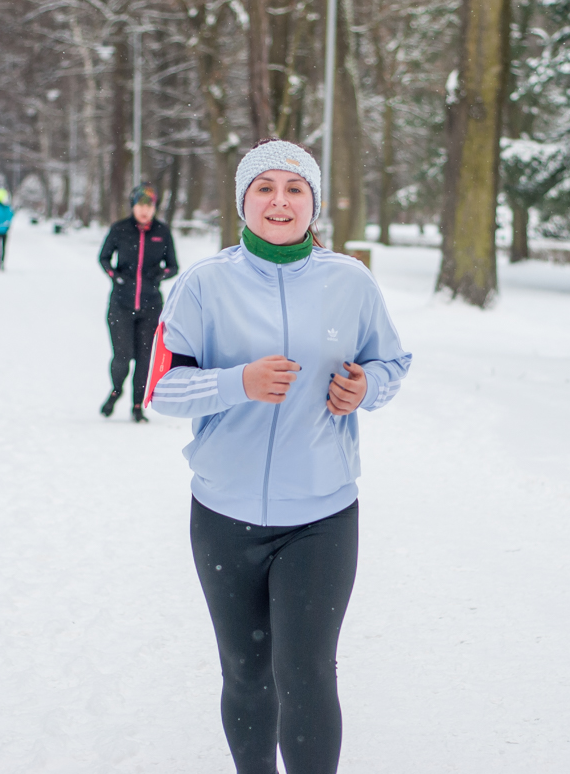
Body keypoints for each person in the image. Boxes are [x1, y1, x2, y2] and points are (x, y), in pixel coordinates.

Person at [145, 139, 411, 774]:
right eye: (264, 188)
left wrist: (364, 388)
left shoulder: (351, 282)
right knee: (244, 670)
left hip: (320, 516)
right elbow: (160, 389)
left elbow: (392, 363)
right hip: (223, 513)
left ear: (313, 203)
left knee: (307, 672)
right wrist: (237, 382)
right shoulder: (203, 285)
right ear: (244, 202)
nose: (280, 201)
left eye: (295, 189)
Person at [97, 182, 178, 422]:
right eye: (140, 205)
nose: (145, 210)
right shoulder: (120, 229)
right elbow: (103, 258)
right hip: (120, 305)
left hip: (151, 306)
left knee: (144, 359)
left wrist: (160, 275)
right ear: (133, 206)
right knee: (122, 357)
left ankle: (136, 406)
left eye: (149, 205)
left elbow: (173, 266)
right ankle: (116, 390)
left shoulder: (162, 232)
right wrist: (116, 276)